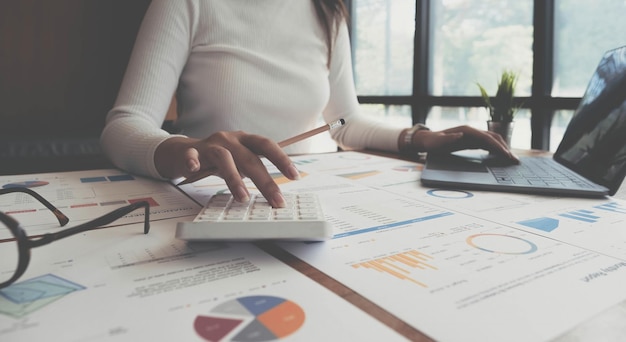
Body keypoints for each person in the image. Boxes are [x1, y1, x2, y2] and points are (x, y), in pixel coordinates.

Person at [101, 0, 518, 208]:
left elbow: (344, 121)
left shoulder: (327, 12)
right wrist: (181, 149)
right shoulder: (185, 4)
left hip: (322, 193)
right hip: (227, 195)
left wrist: (421, 137)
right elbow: (126, 123)